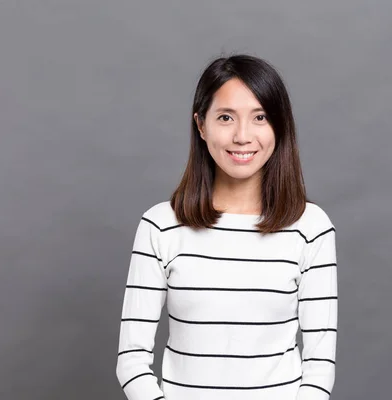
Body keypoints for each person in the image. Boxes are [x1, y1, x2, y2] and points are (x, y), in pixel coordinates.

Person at [115, 54, 338, 400]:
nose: (242, 136)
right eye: (225, 117)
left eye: (260, 117)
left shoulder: (311, 227)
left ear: (279, 126)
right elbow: (131, 359)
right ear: (201, 126)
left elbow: (319, 364)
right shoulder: (160, 226)